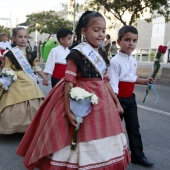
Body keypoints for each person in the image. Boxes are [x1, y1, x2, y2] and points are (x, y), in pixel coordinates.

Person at [16, 11, 131, 170]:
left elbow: (105, 81)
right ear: (84, 31)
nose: (100, 34)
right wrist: (68, 111)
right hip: (80, 97)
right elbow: (69, 82)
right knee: (74, 135)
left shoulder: (102, 54)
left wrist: (116, 102)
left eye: (103, 31)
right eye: (96, 30)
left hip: (102, 100)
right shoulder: (76, 53)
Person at [108, 25, 154, 167]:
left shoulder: (133, 60)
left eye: (134, 40)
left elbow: (132, 78)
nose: (131, 43)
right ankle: (107, 156)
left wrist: (145, 81)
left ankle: (138, 156)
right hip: (118, 100)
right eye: (127, 40)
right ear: (118, 41)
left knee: (134, 128)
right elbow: (113, 85)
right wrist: (116, 104)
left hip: (130, 99)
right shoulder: (114, 62)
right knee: (114, 130)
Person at [0, 27, 48, 134]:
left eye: (25, 37)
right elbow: (7, 68)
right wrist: (3, 81)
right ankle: (15, 127)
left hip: (29, 78)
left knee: (33, 95)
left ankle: (31, 126)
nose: (23, 39)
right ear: (14, 38)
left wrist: (44, 77)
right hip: (16, 78)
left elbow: (35, 67)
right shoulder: (10, 53)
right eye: (20, 37)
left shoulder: (30, 52)